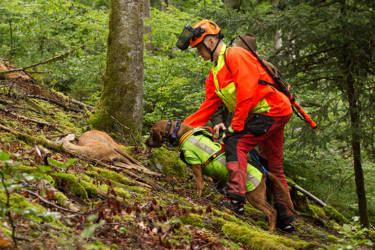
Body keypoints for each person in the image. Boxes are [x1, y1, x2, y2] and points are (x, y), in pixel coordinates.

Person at [177, 20, 295, 231]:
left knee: (234, 143)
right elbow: (208, 107)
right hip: (273, 112)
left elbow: (247, 91)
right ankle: (286, 218)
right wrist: (180, 129)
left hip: (272, 109)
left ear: (211, 41)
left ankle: (235, 200)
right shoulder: (214, 75)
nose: (198, 53)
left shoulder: (235, 55)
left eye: (199, 48)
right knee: (273, 165)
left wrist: (237, 125)